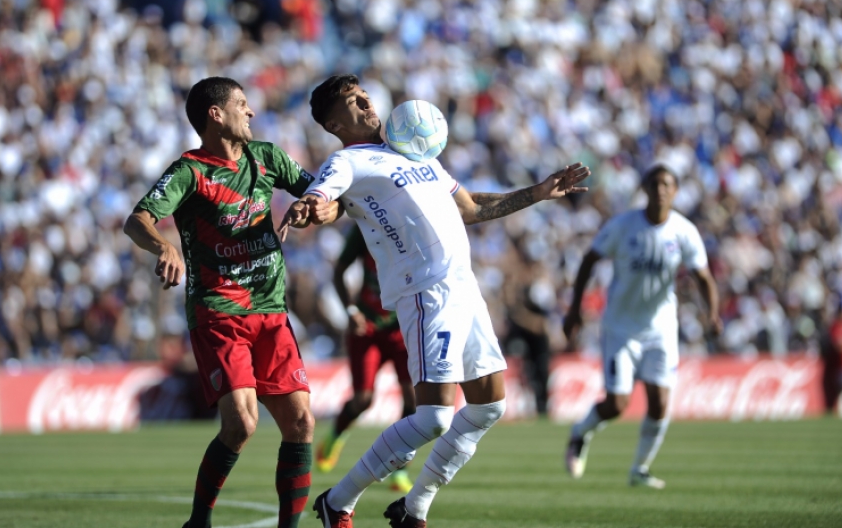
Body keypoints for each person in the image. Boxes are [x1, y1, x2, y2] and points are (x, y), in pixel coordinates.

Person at [280, 74, 590, 528]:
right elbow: (326, 196)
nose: (367, 104)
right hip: (425, 292)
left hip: (464, 288)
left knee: (489, 406)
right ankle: (338, 502)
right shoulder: (348, 161)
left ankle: (415, 506)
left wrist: (538, 192)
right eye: (354, 102)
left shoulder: (413, 151)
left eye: (365, 96)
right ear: (333, 124)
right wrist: (311, 204)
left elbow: (471, 207)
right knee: (433, 417)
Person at [123, 76, 339, 528]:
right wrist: (164, 246)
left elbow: (326, 197)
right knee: (241, 422)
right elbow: (137, 219)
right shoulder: (189, 171)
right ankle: (199, 521)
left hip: (271, 312)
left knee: (301, 423)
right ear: (216, 115)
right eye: (242, 103)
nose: (251, 111)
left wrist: (315, 208)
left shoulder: (268, 157)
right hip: (220, 312)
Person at [562, 162, 721, 489]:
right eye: (655, 184)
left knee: (660, 402)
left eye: (667, 184)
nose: (661, 190)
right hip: (620, 328)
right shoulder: (623, 226)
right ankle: (580, 432)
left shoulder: (684, 231)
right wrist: (575, 309)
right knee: (617, 404)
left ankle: (640, 469)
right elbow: (589, 260)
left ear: (675, 191)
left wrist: (713, 314)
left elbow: (703, 277)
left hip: (661, 329)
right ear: (645, 189)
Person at [316, 227, 416, 494]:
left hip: (403, 327)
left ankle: (400, 469)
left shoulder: (415, 228)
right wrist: (350, 310)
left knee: (414, 400)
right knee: (363, 399)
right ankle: (336, 434)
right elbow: (339, 270)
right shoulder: (366, 226)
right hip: (367, 326)